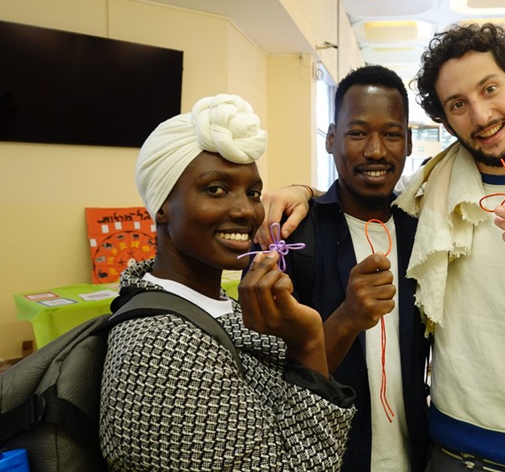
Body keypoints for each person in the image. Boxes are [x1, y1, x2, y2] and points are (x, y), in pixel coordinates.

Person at [259, 23, 505, 472]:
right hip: (449, 450)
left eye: (490, 89)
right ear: (445, 120)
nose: (481, 116)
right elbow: (362, 191)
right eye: (458, 105)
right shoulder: (426, 196)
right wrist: (304, 192)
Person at [99, 94, 356, 471]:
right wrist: (308, 340)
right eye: (215, 189)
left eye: (252, 193)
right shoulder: (162, 349)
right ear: (162, 207)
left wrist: (305, 191)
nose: (245, 210)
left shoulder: (215, 304)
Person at [249, 65, 430, 472]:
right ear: (332, 139)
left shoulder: (426, 232)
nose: (375, 151)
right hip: (324, 459)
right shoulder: (291, 238)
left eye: (391, 134)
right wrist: (347, 318)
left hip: (419, 455)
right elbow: (266, 384)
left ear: (409, 141)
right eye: (358, 133)